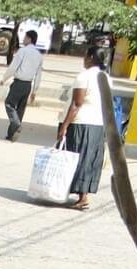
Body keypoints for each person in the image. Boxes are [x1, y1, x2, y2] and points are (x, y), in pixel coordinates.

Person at [57, 46, 111, 210]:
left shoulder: (84, 77)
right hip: (98, 124)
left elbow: (76, 103)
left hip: (81, 123)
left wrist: (64, 126)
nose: (83, 59)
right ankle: (83, 195)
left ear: (90, 57)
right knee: (88, 160)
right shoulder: (106, 78)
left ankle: (81, 197)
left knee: (75, 158)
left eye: (85, 55)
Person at [0, 29, 42, 141]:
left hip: (19, 82)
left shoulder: (23, 51)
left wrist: (4, 78)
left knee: (9, 103)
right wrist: (34, 91)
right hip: (28, 85)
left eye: (25, 37)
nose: (23, 39)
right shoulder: (39, 55)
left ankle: (16, 124)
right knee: (20, 109)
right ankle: (11, 134)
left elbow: (13, 67)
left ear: (29, 39)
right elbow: (38, 74)